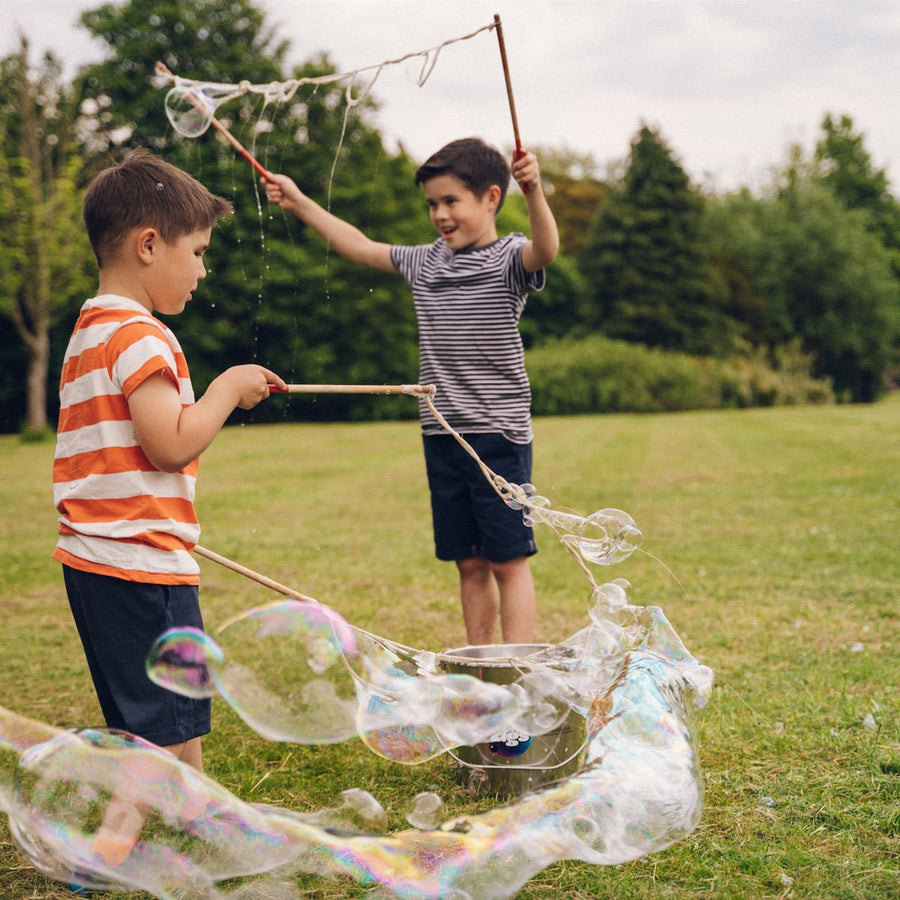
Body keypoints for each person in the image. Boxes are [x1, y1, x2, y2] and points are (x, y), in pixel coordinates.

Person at [52, 148, 285, 877]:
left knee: (174, 701)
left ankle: (206, 813)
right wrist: (225, 389)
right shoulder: (143, 335)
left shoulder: (90, 330)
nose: (203, 270)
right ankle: (103, 856)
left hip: (98, 561)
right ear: (149, 245)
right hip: (140, 561)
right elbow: (168, 443)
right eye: (198, 253)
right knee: (154, 728)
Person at [265, 137, 559, 646]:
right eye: (432, 204)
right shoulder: (425, 263)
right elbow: (356, 245)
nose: (439, 214)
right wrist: (298, 200)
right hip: (441, 432)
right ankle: (481, 666)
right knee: (468, 561)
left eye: (451, 201)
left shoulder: (511, 258)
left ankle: (517, 675)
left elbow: (547, 247)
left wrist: (534, 191)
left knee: (508, 561)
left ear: (492, 198)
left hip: (497, 435)